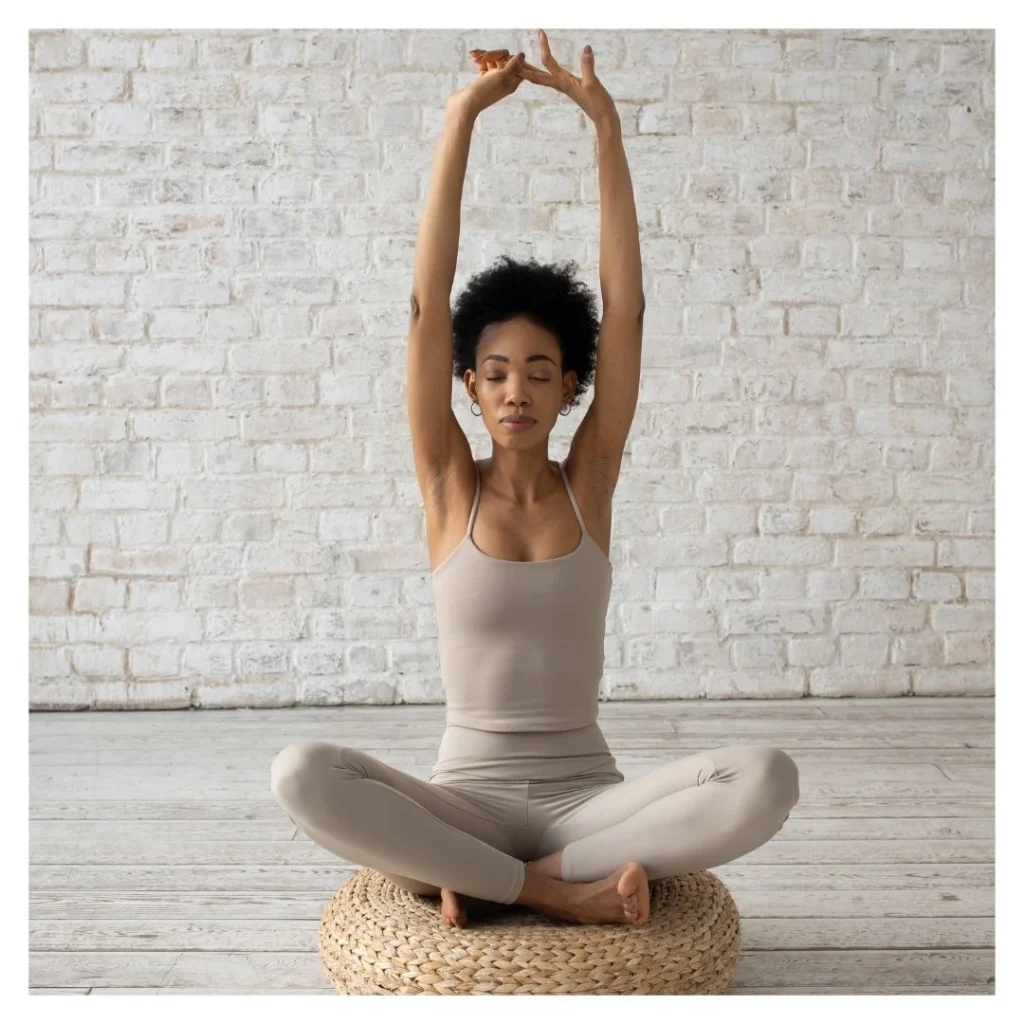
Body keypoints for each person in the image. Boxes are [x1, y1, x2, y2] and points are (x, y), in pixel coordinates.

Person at [272, 31, 799, 930]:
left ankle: (509, 877)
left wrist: (605, 126)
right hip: (463, 795)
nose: (518, 389)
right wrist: (461, 117)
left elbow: (625, 308)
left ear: (570, 387)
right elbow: (423, 309)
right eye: (498, 371)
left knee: (765, 777)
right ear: (469, 385)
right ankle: (552, 891)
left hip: (587, 802)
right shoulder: (448, 484)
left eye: (542, 371)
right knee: (300, 771)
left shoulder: (589, 481)